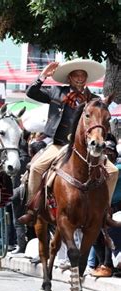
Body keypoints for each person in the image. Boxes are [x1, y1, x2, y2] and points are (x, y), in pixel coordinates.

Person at [18, 59, 119, 225]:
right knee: (36, 168)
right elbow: (31, 92)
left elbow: (101, 121)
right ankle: (32, 209)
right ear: (69, 78)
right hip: (59, 144)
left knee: (113, 171)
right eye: (76, 75)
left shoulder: (93, 99)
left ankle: (105, 212)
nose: (79, 78)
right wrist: (43, 75)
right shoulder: (56, 91)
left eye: (82, 75)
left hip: (86, 149)